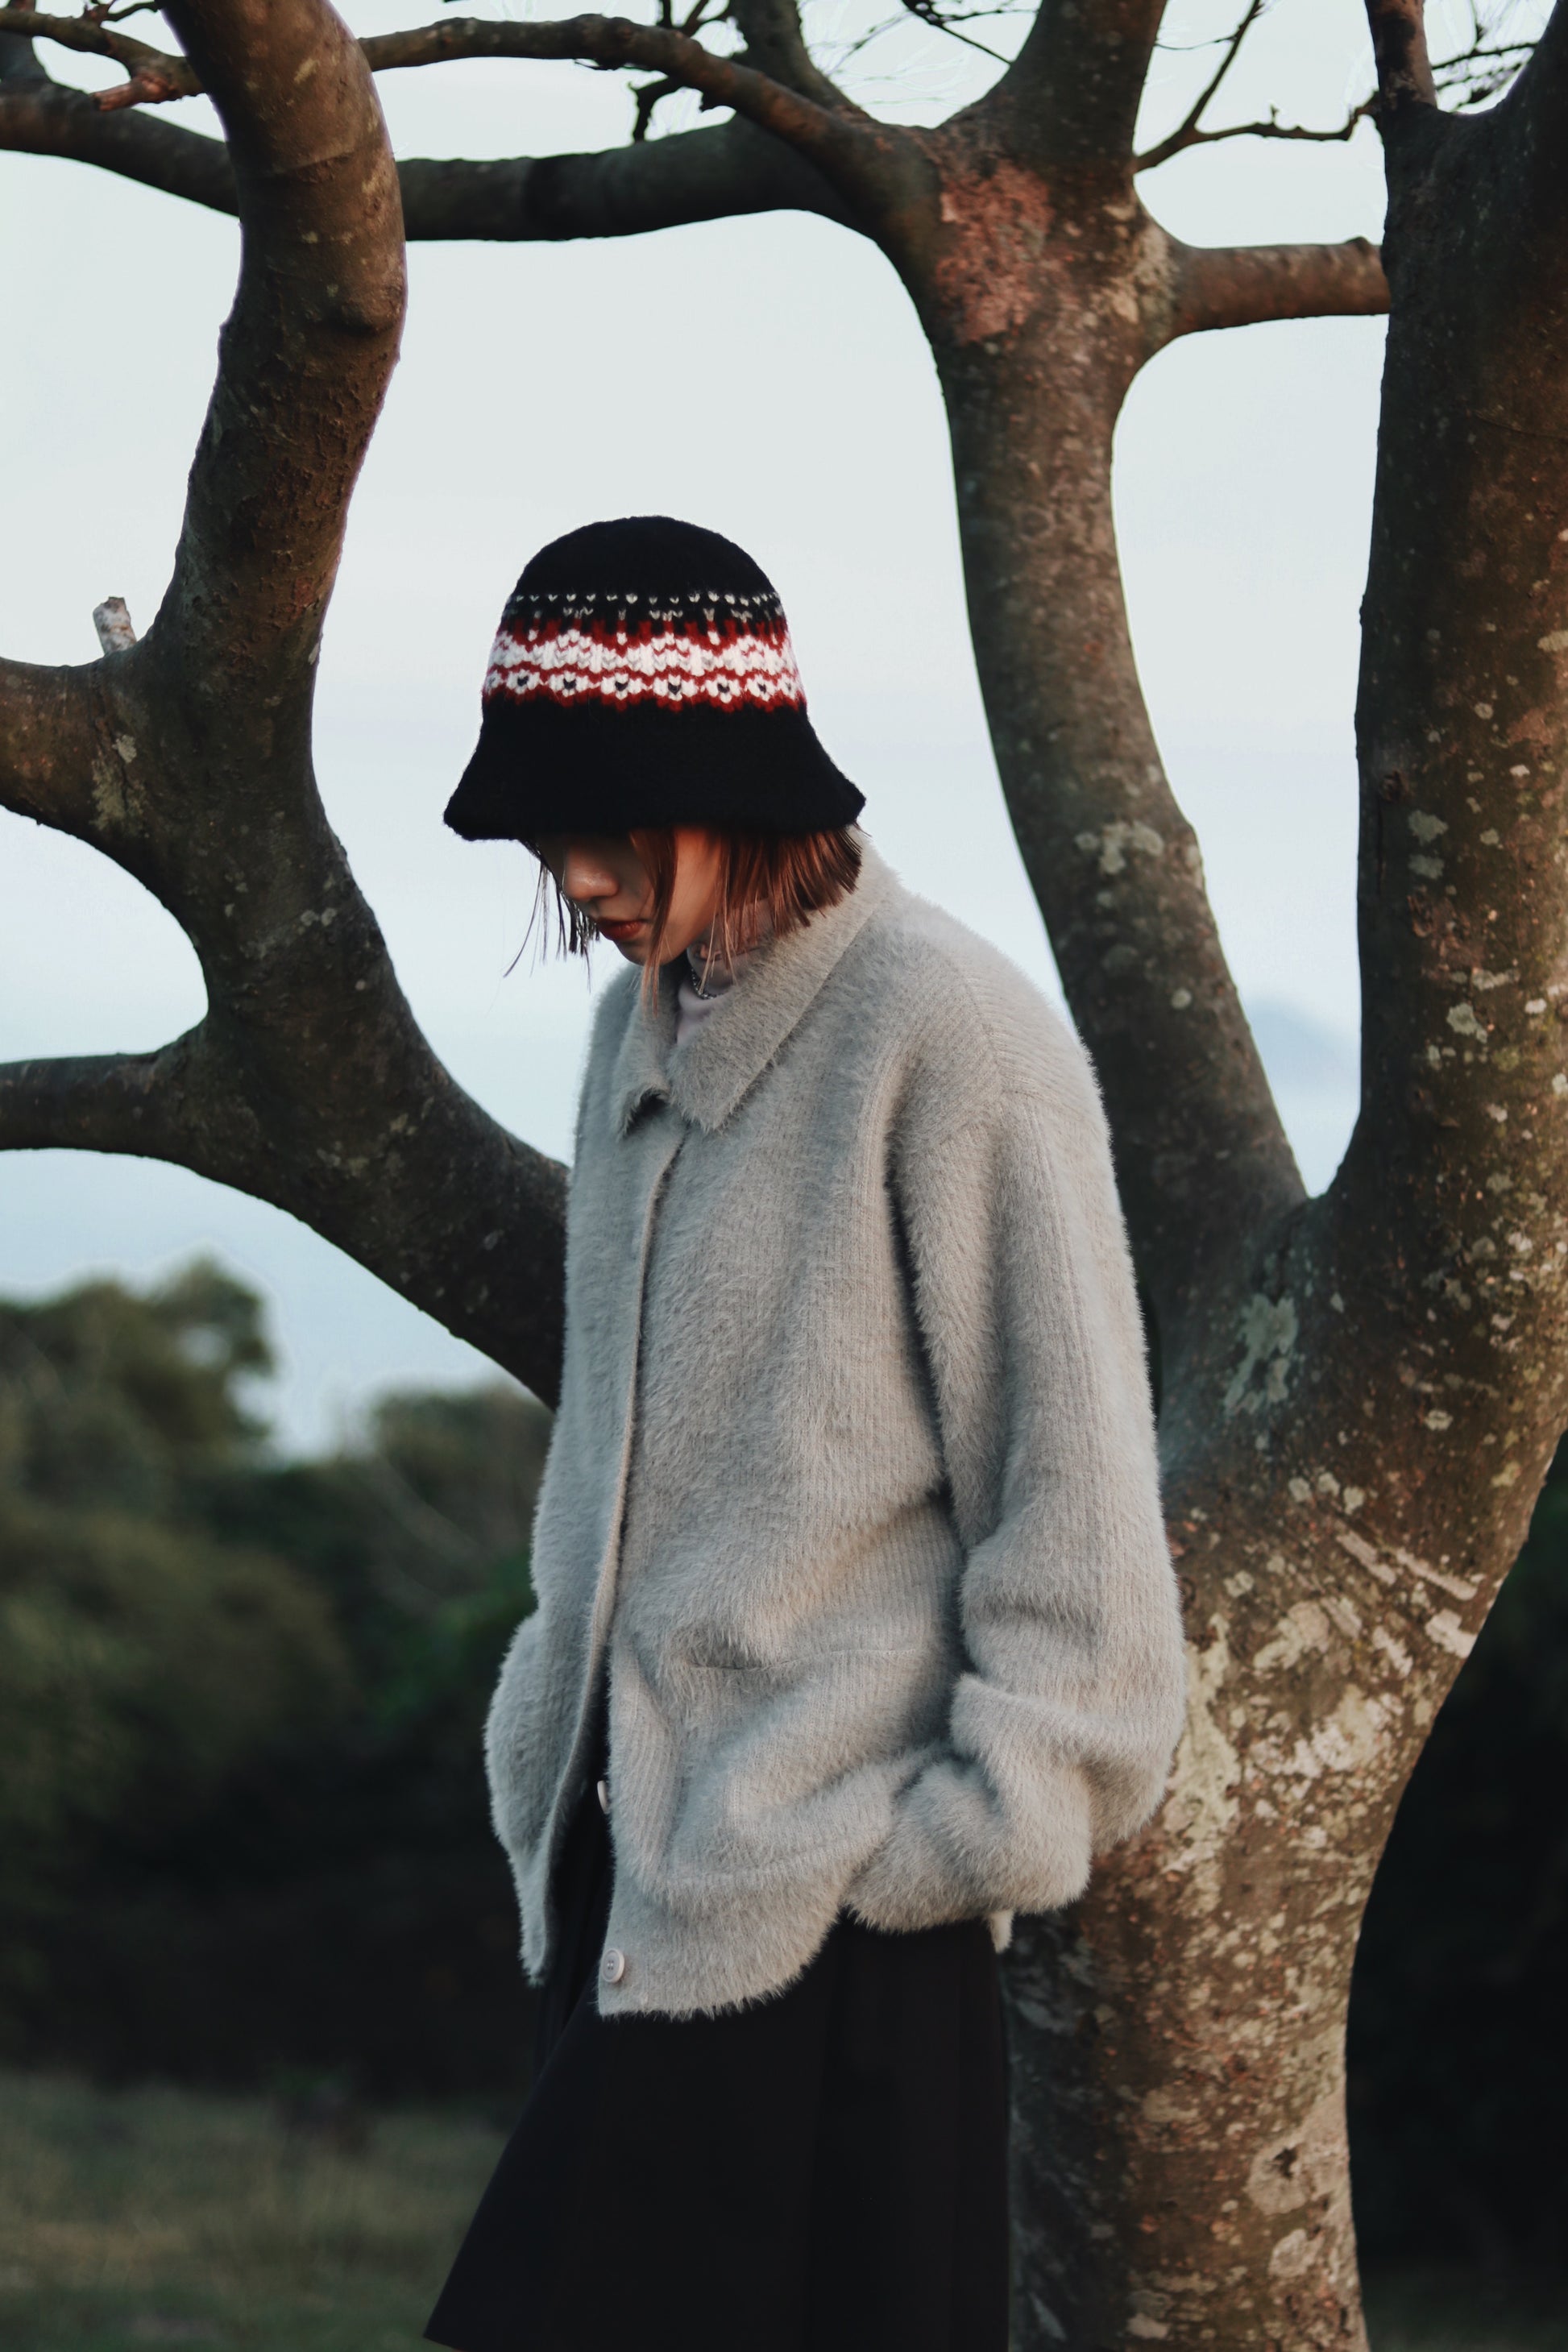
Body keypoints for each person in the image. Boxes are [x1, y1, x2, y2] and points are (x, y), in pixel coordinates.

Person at [425, 516, 1184, 2352]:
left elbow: (1075, 1495)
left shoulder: (949, 1031)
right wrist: (551, 1728)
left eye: (608, 824)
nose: (575, 876)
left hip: (837, 1908)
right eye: (544, 833)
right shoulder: (633, 1038)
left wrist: (953, 1843)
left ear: (726, 787)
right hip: (631, 1872)